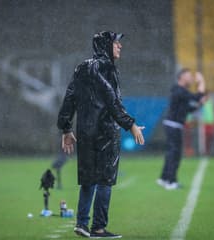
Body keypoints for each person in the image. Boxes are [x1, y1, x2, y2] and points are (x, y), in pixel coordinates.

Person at [57, 31, 145, 238]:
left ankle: (81, 224)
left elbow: (70, 98)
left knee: (88, 179)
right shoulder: (106, 68)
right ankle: (98, 227)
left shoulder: (82, 67)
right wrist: (130, 124)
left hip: (85, 132)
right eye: (116, 43)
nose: (119, 46)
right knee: (105, 180)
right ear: (106, 45)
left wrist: (66, 128)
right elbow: (111, 100)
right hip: (105, 131)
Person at [158, 69, 206, 190]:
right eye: (189, 76)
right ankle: (171, 181)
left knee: (171, 153)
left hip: (173, 125)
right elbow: (197, 97)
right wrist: (201, 82)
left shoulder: (180, 91)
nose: (191, 79)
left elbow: (189, 109)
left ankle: (164, 178)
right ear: (182, 77)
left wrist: (200, 104)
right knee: (175, 154)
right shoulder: (180, 90)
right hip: (173, 125)